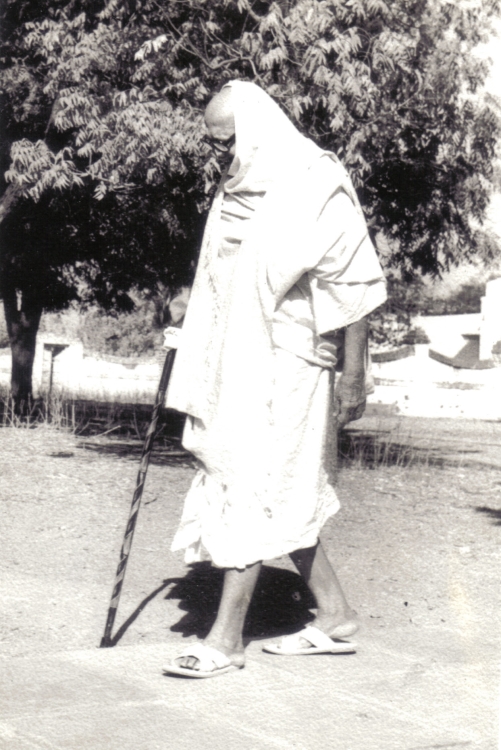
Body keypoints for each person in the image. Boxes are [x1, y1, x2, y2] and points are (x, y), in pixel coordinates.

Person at [163, 81, 386, 678]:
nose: (219, 153)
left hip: (292, 360)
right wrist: (191, 303)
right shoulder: (234, 186)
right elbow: (225, 269)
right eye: (214, 143)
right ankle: (335, 615)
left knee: (254, 480)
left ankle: (226, 639)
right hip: (235, 356)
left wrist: (353, 377)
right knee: (275, 484)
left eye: (227, 141)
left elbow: (355, 287)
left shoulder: (313, 179)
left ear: (257, 131)